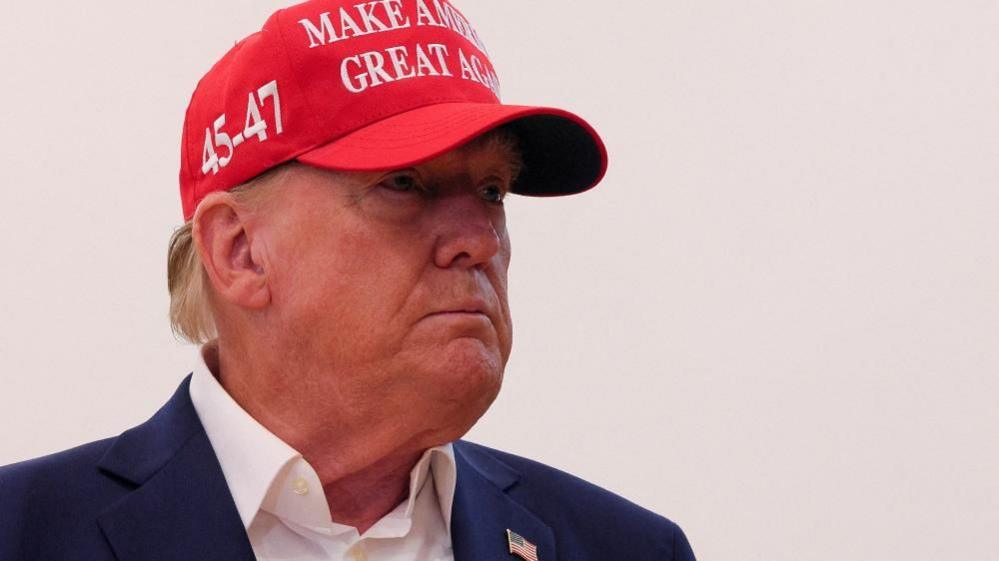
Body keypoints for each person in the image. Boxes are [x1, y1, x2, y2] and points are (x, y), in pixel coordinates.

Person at [0, 1, 696, 559]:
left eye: (491, 190)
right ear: (240, 250)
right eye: (403, 183)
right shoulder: (23, 533)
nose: (478, 240)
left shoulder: (625, 546)